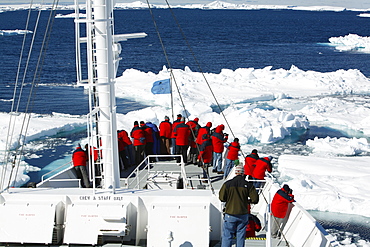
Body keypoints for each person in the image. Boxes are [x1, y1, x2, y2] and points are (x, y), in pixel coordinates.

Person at [219, 165, 259, 247]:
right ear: (243, 173)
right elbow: (255, 199)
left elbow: (222, 198)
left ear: (235, 173)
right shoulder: (248, 185)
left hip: (230, 214)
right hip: (243, 214)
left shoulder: (227, 184)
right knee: (240, 236)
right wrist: (248, 201)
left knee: (227, 235)